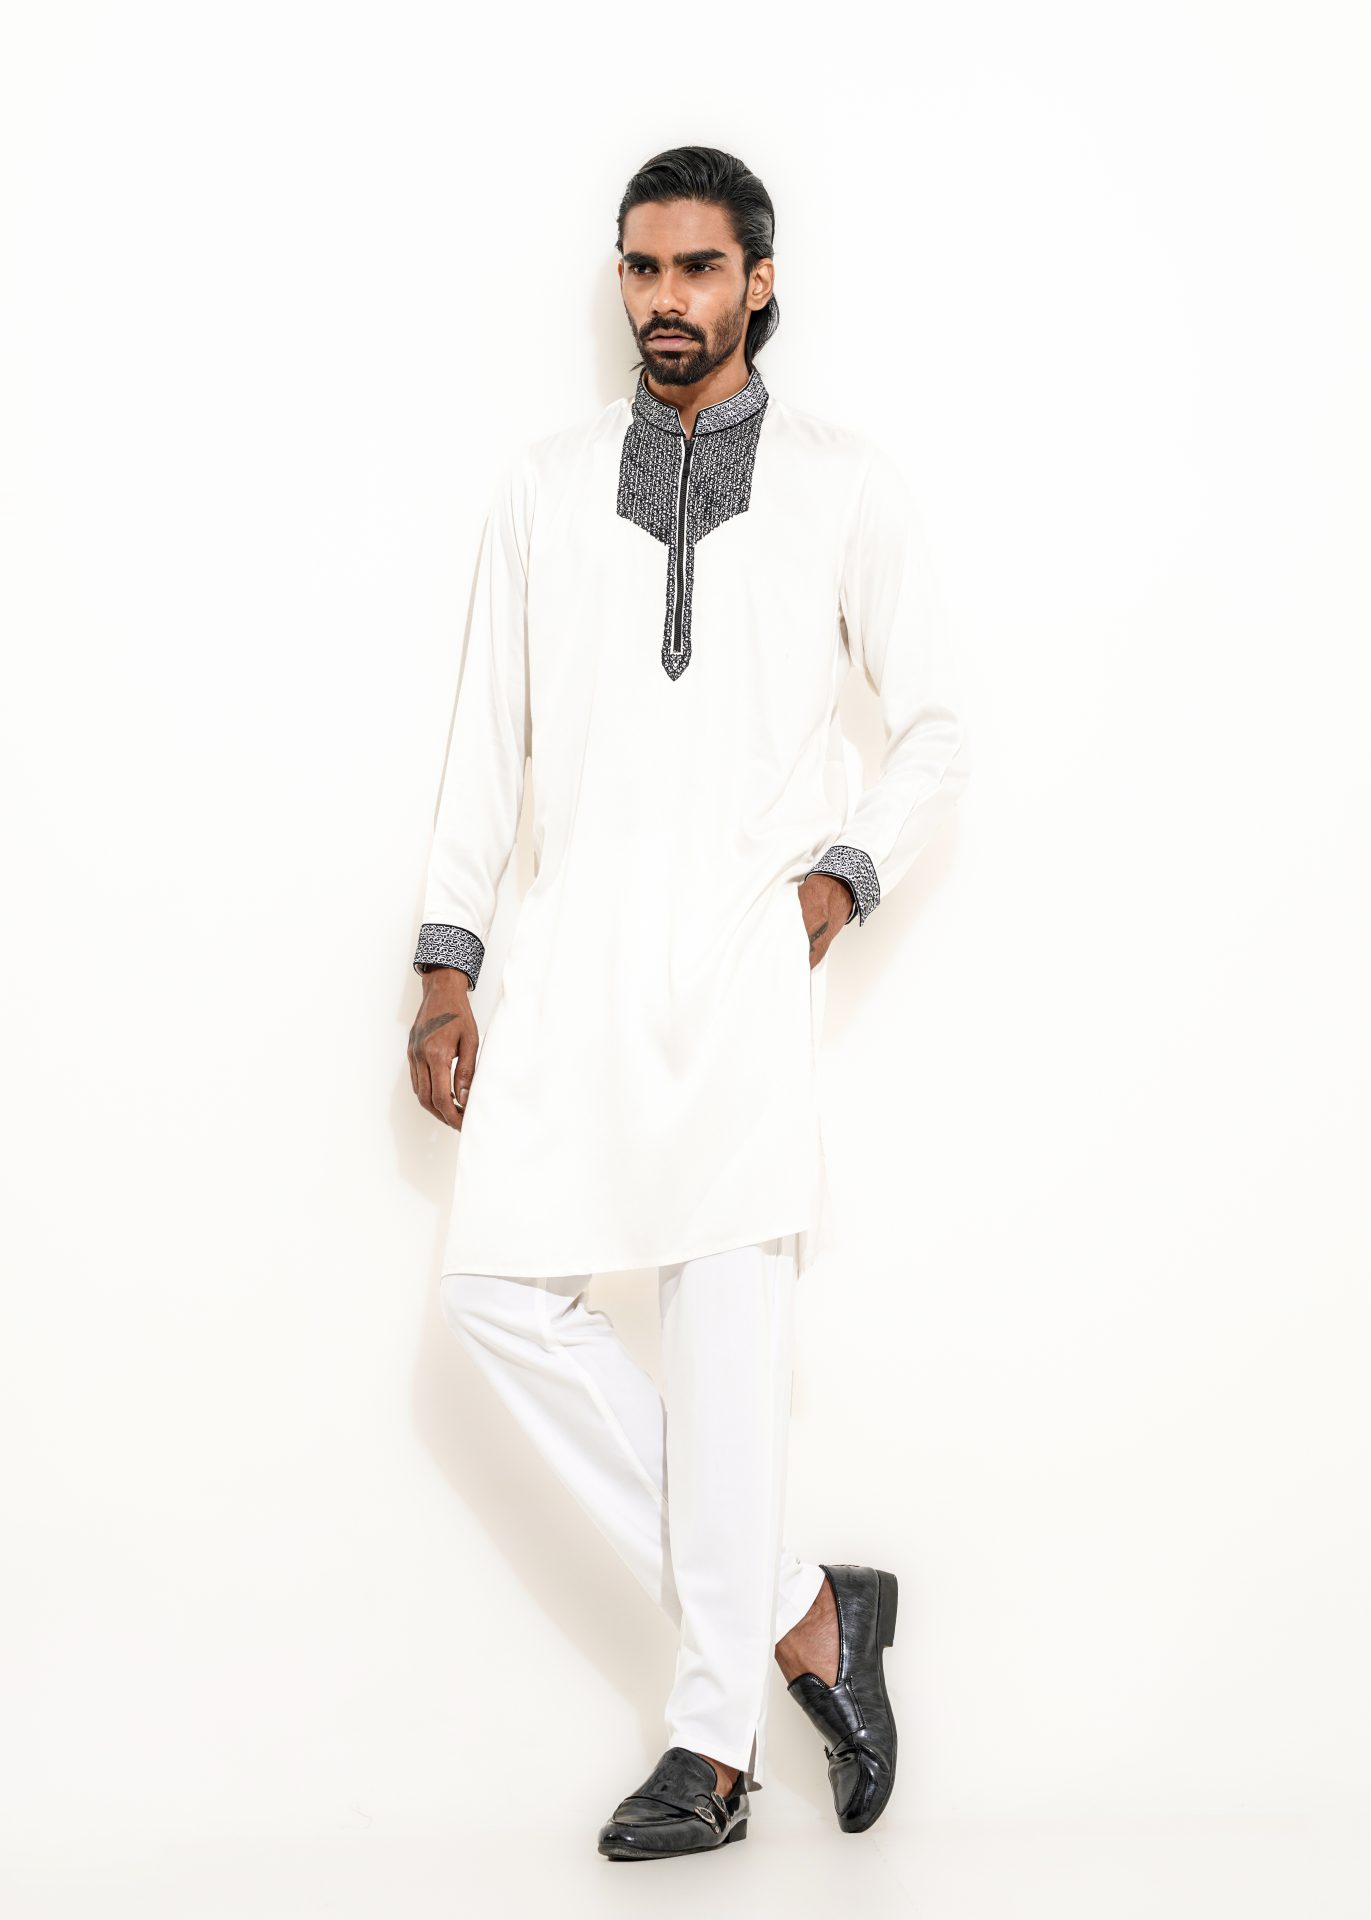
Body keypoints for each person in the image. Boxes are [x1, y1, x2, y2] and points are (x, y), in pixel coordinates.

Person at [406, 144, 971, 1860]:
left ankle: (709, 1750)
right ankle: (804, 1607)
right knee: (494, 1296)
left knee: (727, 1368)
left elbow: (936, 729)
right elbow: (485, 739)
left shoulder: (842, 486)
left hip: (736, 975)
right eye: (643, 269)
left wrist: (840, 878)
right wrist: (447, 959)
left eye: (699, 269)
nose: (667, 300)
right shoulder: (544, 486)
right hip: (569, 965)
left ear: (759, 282)